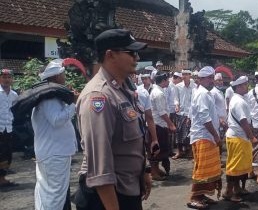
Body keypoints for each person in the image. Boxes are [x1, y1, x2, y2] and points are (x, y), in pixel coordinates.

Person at [75, 29, 151, 210]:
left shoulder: (122, 89)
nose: (137, 57)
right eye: (131, 53)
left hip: (127, 187)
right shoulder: (99, 96)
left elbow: (133, 141)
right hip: (108, 197)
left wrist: (144, 171)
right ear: (110, 55)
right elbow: (100, 164)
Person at [31, 60, 76, 210]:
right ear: (56, 77)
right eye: (62, 74)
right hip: (55, 154)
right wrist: (74, 104)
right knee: (55, 195)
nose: (64, 76)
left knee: (48, 192)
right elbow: (56, 120)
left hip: (52, 152)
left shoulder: (47, 95)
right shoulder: (49, 97)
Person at [187, 66, 222, 209]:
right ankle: (194, 197)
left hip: (208, 136)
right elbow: (204, 117)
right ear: (200, 80)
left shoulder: (205, 93)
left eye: (211, 78)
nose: (211, 81)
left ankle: (202, 195)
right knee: (202, 168)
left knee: (209, 168)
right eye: (208, 78)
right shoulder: (201, 94)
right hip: (203, 136)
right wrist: (215, 135)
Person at [224, 76, 258, 202]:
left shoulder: (238, 99)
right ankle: (228, 192)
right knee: (234, 166)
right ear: (238, 87)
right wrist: (252, 137)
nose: (247, 86)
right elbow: (244, 122)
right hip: (238, 137)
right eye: (244, 85)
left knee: (241, 166)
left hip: (239, 137)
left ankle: (238, 189)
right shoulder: (239, 101)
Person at [149, 73, 176, 180]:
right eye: (167, 80)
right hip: (158, 124)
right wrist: (171, 124)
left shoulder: (158, 91)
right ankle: (154, 172)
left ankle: (156, 170)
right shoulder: (158, 93)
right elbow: (162, 112)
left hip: (159, 124)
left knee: (161, 148)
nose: (169, 82)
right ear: (163, 81)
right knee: (156, 149)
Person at [0, 68, 18, 188]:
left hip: (8, 128)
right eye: (4, 77)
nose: (6, 80)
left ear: (12, 79)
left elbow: (15, 110)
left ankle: (2, 178)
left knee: (7, 154)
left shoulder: (14, 95)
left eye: (9, 77)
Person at [174, 69, 197, 159]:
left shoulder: (194, 87)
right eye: (183, 74)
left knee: (190, 133)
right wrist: (176, 105)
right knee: (179, 132)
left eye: (186, 74)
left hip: (190, 113)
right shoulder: (178, 86)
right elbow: (176, 98)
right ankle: (179, 151)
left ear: (190, 75)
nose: (184, 76)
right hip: (180, 113)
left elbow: (194, 101)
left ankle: (190, 151)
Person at [211, 73, 227, 140]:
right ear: (214, 82)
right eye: (218, 80)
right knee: (218, 139)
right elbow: (213, 107)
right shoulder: (213, 92)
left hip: (223, 119)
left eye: (221, 80)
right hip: (218, 120)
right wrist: (219, 119)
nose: (221, 82)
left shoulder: (220, 92)